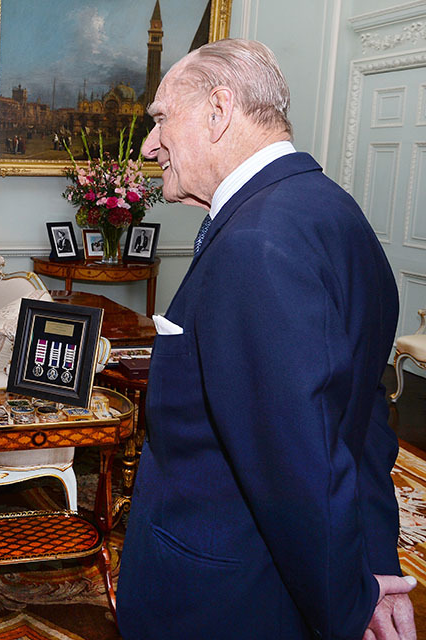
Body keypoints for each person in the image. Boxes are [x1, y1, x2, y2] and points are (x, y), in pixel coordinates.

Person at [116, 39, 415, 639]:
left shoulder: (255, 246)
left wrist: (348, 606)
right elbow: (360, 420)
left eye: (159, 119)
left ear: (219, 110)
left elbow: (295, 464)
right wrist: (376, 565)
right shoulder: (333, 212)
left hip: (224, 600)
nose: (149, 146)